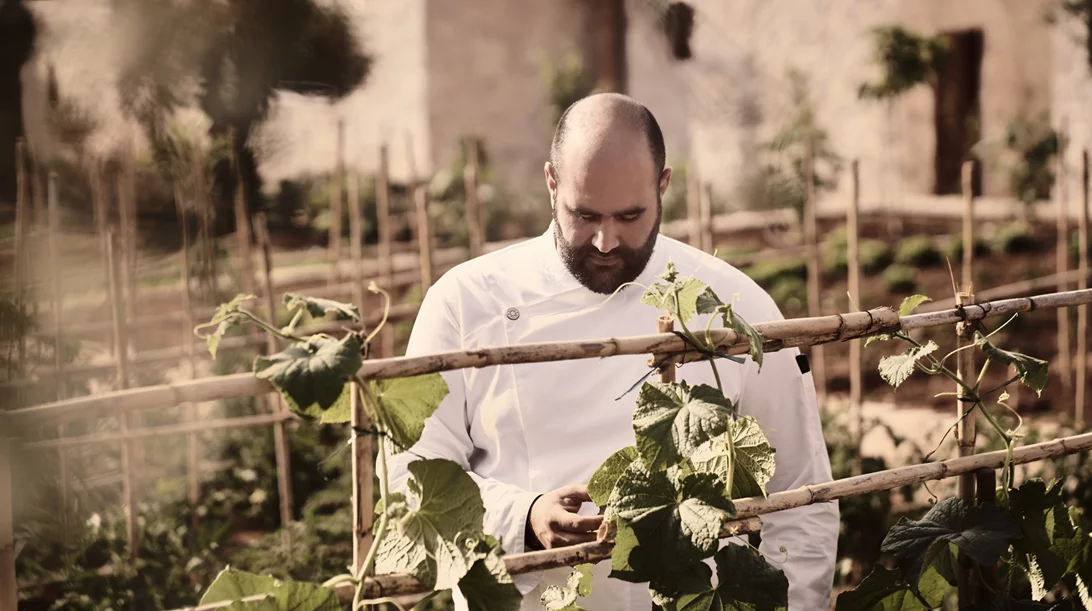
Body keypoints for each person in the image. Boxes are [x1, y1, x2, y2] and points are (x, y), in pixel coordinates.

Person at [386, 93, 838, 611]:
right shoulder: (465, 302)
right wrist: (524, 518)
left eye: (629, 216)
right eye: (584, 215)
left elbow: (802, 499)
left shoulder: (734, 304)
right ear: (552, 182)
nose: (605, 241)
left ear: (663, 186)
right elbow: (410, 480)